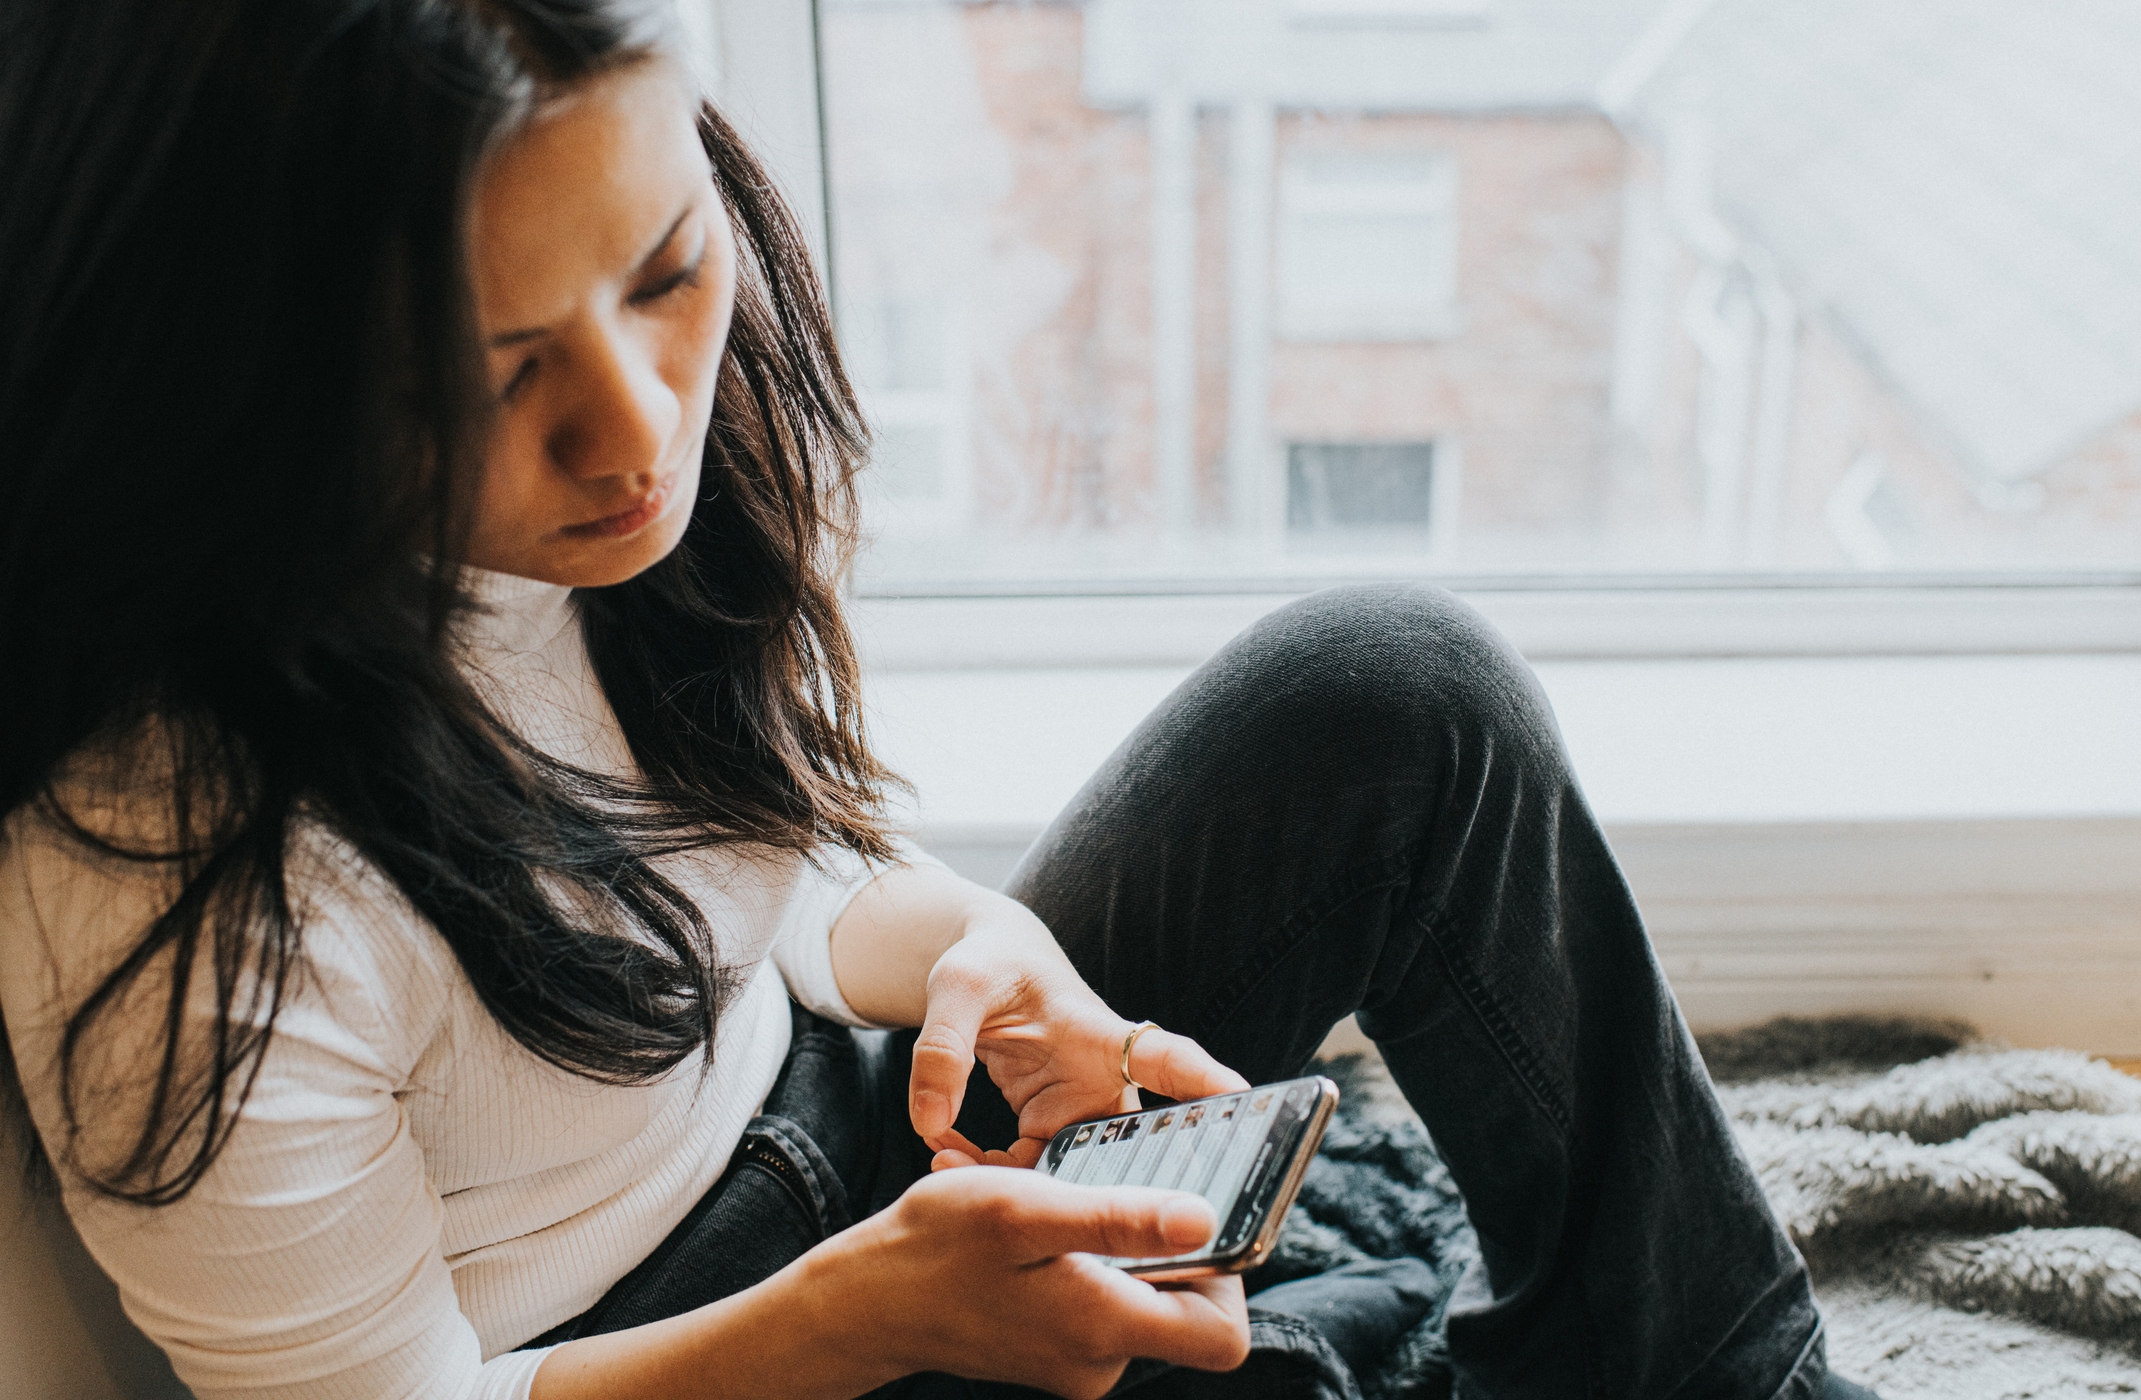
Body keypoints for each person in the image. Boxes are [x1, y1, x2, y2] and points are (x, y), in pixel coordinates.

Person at [0, 2, 1877, 1397]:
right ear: (230, 379)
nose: (637, 433)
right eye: (483, 380)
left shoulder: (614, 503)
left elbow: (776, 890)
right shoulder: (169, 909)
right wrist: (859, 1313)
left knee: (1400, 699)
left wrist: (974, 946)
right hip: (649, 1356)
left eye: (665, 272)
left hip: (854, 1144)